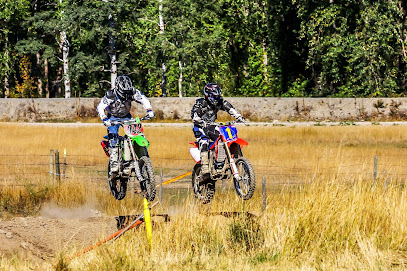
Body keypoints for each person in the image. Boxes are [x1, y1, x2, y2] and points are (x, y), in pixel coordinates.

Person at [97, 75, 155, 176]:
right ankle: (114, 165)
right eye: (124, 92)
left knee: (136, 135)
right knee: (113, 137)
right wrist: (104, 118)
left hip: (127, 117)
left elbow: (143, 99)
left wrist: (149, 110)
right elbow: (100, 107)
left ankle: (136, 161)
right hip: (112, 118)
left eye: (127, 92)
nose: (126, 94)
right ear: (118, 88)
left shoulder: (132, 91)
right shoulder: (110, 95)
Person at [191, 83, 245, 175]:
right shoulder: (200, 103)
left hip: (211, 126)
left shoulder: (220, 101)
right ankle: (204, 167)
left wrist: (239, 116)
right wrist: (199, 120)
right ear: (208, 95)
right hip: (200, 127)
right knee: (204, 141)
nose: (216, 99)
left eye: (217, 96)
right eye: (214, 97)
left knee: (223, 138)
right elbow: (194, 115)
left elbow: (230, 108)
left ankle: (223, 163)